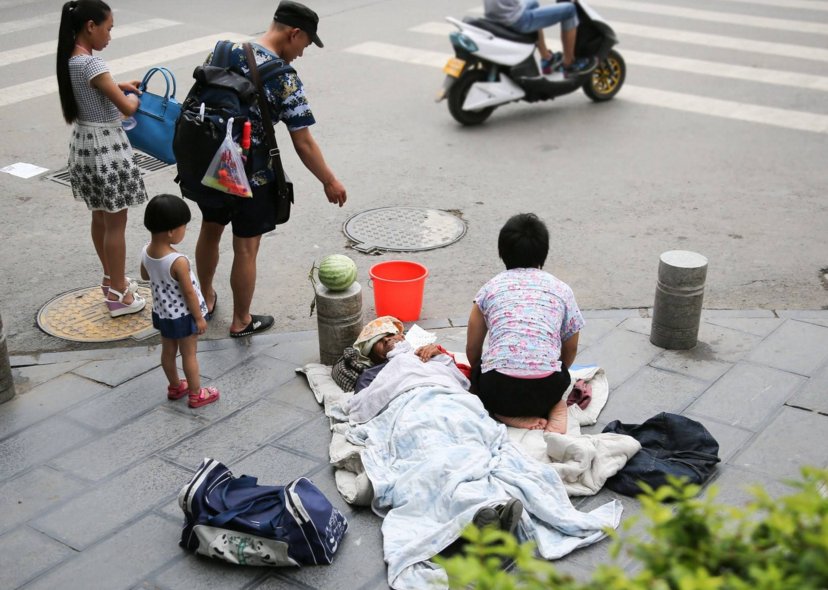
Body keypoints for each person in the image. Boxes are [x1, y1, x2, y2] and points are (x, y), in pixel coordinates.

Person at [181, 0, 347, 339]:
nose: (301, 53)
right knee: (246, 246)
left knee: (210, 228)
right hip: (249, 173)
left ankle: (205, 298)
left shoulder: (223, 51)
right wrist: (329, 180)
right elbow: (303, 142)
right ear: (294, 33)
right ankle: (242, 320)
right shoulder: (283, 77)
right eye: (304, 44)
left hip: (210, 162)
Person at [56, 0, 148, 317]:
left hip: (84, 144)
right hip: (106, 146)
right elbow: (127, 108)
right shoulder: (94, 65)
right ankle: (119, 295)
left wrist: (119, 86)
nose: (109, 36)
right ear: (91, 26)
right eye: (108, 29)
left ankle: (111, 279)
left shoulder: (71, 60)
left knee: (100, 217)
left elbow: (93, 90)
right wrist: (134, 95)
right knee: (116, 223)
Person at [466, 213, 584, 433]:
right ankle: (554, 405)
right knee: (560, 373)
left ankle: (503, 414)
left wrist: (478, 379)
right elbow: (571, 347)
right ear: (544, 253)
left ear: (502, 252)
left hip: (497, 392)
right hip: (547, 390)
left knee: (480, 374)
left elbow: (472, 349)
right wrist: (551, 376)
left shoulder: (489, 289)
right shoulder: (562, 290)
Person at [139, 195, 220, 408]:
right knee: (189, 354)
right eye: (183, 227)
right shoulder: (178, 261)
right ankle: (196, 394)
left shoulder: (146, 251)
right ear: (171, 231)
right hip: (184, 316)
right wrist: (199, 318)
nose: (184, 231)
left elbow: (145, 276)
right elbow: (190, 293)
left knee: (168, 351)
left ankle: (175, 386)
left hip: (163, 313)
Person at [332, 316, 470, 393]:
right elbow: (365, 403)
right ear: (373, 357)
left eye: (391, 334)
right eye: (378, 342)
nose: (387, 339)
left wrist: (441, 355)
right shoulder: (369, 376)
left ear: (403, 337)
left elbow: (463, 380)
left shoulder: (426, 353)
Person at [483, 0, 597, 76]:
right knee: (570, 9)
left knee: (532, 3)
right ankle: (569, 63)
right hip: (515, 19)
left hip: (494, 14)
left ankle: (547, 59)